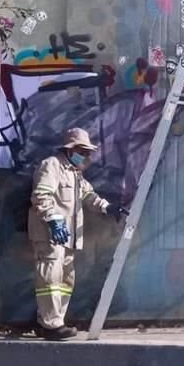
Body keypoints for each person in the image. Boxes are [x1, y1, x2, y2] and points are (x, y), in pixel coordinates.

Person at [28, 128, 126, 340]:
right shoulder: (52, 166)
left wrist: (107, 207)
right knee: (50, 278)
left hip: (69, 237)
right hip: (50, 234)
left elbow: (88, 195)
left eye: (87, 151)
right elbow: (41, 196)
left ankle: (54, 320)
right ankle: (51, 324)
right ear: (70, 149)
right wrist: (53, 220)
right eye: (82, 151)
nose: (86, 155)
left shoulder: (74, 173)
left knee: (65, 280)